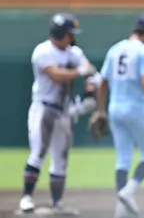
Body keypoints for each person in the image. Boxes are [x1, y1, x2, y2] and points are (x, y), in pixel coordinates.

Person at [19, 12, 96, 215]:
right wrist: (81, 72)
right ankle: (26, 198)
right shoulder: (43, 51)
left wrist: (89, 93)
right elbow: (56, 76)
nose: (73, 37)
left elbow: (91, 72)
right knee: (38, 153)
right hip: (44, 108)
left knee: (61, 158)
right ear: (61, 33)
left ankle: (57, 203)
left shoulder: (74, 52)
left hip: (65, 111)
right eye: (70, 33)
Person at [96, 15, 144, 218]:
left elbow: (103, 81)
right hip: (135, 108)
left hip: (115, 107)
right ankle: (129, 191)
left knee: (123, 158)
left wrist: (100, 110)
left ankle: (120, 210)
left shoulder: (115, 49)